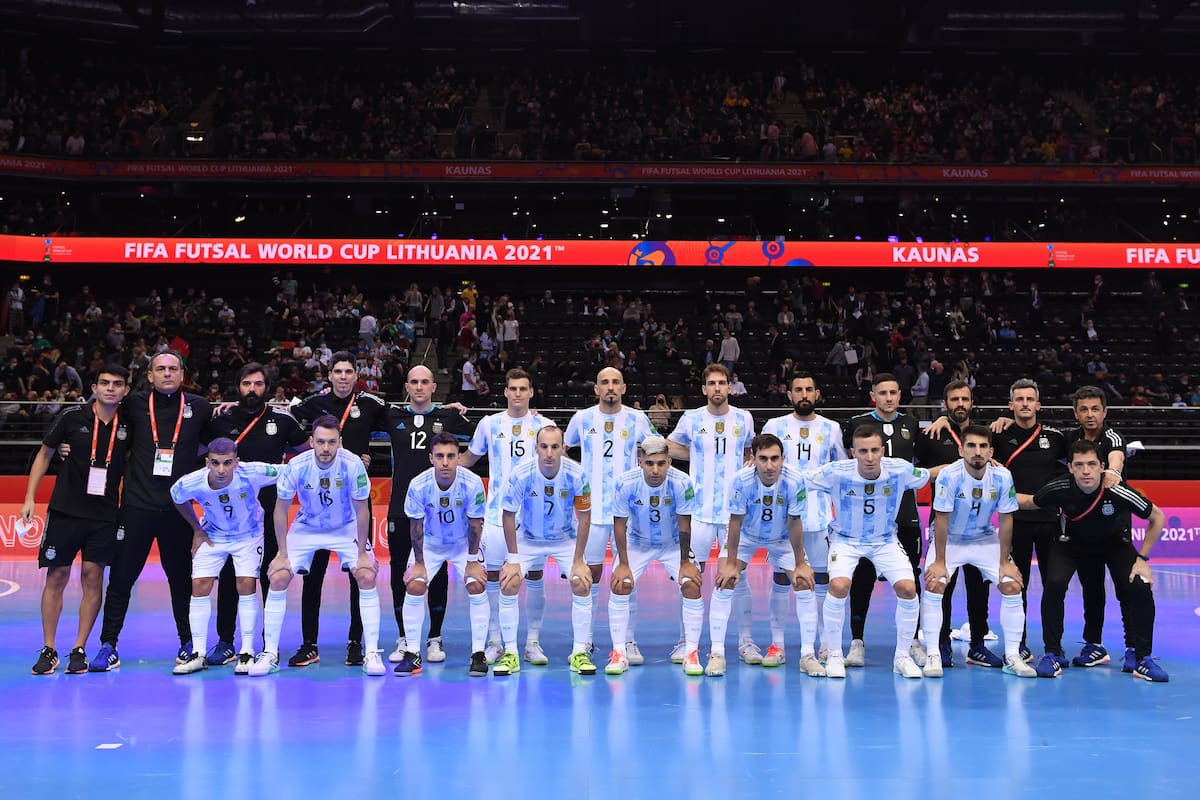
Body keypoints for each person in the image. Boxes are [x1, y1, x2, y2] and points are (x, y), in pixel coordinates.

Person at [90, 351, 212, 671]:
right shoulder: (134, 404)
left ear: (182, 375)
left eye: (173, 369)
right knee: (121, 579)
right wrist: (66, 445)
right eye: (161, 369)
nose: (167, 374)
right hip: (136, 507)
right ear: (149, 375)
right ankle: (108, 645)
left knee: (181, 581)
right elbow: (100, 422)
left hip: (178, 511)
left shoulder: (199, 407)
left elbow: (215, 444)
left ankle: (188, 643)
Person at [1019, 440, 1168, 682]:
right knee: (1054, 584)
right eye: (1079, 465)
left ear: (1102, 467)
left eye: (1091, 464)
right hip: (1070, 544)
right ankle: (1052, 654)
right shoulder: (1059, 488)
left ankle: (1142, 658)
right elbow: (1029, 502)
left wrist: (1142, 559)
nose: (1085, 471)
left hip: (1114, 544)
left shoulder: (1118, 490)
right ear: (1070, 468)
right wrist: (995, 487)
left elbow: (1157, 517)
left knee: (1140, 586)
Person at [251, 415, 383, 676]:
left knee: (367, 576)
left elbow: (362, 511)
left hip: (345, 525)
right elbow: (280, 510)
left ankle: (371, 654)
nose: (326, 448)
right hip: (308, 526)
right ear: (311, 441)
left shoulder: (353, 464)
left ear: (340, 442)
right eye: (320, 442)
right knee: (277, 577)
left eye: (332, 442)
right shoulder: (296, 466)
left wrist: (361, 554)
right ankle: (270, 653)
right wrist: (282, 553)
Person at [25, 365, 130, 675]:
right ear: (94, 387)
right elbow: (45, 453)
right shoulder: (72, 418)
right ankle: (49, 648)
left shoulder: (131, 424)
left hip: (105, 515)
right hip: (66, 510)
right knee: (56, 577)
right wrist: (30, 497)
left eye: (118, 384)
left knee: (92, 577)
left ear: (125, 390)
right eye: (105, 383)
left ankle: (79, 648)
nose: (111, 388)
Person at [202, 363, 307, 667]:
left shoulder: (282, 422)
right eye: (246, 384)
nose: (252, 390)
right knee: (229, 577)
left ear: (268, 388)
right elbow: (196, 451)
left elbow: (307, 455)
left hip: (271, 512)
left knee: (269, 576)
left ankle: (266, 644)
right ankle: (225, 641)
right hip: (230, 514)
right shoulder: (221, 420)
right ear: (238, 387)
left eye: (258, 384)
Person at [289, 351, 389, 669]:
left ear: (356, 375)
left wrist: (447, 410)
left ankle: (356, 643)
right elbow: (282, 423)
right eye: (338, 371)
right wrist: (309, 446)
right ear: (329, 375)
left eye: (349, 371)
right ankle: (309, 644)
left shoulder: (370, 405)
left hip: (355, 498)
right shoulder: (312, 404)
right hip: (317, 502)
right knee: (312, 577)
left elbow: (405, 421)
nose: (343, 376)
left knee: (358, 575)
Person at [809, 425, 930, 678]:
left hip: (885, 540)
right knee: (839, 586)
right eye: (863, 451)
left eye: (875, 450)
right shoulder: (834, 472)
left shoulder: (900, 469)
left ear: (882, 451)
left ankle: (902, 656)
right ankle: (833, 656)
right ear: (853, 452)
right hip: (845, 540)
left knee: (908, 589)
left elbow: (929, 475)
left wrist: (968, 466)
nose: (870, 457)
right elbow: (799, 480)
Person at [921, 426, 1034, 678]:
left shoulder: (1003, 476)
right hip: (949, 540)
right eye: (971, 446)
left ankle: (1013, 656)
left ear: (991, 451)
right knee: (935, 583)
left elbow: (1006, 520)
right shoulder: (948, 476)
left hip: (983, 538)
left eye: (983, 447)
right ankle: (933, 654)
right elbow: (940, 520)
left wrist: (1005, 561)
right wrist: (940, 561)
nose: (977, 452)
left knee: (1012, 585)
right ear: (961, 450)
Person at [460, 368, 554, 662]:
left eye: (522, 389)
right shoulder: (489, 424)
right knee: (492, 576)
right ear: (505, 392)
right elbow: (468, 459)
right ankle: (495, 640)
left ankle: (532, 643)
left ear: (530, 392)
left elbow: (556, 462)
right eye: (512, 388)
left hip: (533, 517)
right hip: (496, 515)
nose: (517, 394)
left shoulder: (544, 425)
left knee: (535, 575)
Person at [564, 367, 656, 665]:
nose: (610, 387)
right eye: (604, 382)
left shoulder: (638, 419)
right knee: (588, 577)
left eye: (616, 382)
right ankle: (586, 641)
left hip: (627, 513)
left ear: (624, 388)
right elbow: (564, 450)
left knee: (625, 577)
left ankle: (628, 641)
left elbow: (657, 449)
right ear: (596, 389)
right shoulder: (582, 418)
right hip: (590, 513)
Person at [666, 364, 757, 663]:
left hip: (734, 513)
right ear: (704, 389)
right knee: (691, 575)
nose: (717, 388)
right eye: (711, 384)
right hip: (699, 512)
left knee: (738, 577)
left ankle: (746, 642)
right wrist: (696, 453)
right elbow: (670, 446)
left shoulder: (744, 419)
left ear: (730, 387)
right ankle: (684, 642)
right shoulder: (691, 418)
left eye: (722, 383)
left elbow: (750, 452)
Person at [383, 365, 473, 664]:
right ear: (406, 387)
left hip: (439, 510)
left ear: (434, 386)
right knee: (400, 572)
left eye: (425, 382)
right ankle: (405, 638)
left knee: (437, 573)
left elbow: (483, 436)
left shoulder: (447, 417)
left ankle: (434, 638)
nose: (419, 387)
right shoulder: (392, 415)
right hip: (400, 508)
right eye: (413, 382)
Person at [169, 439, 281, 675]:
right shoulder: (191, 482)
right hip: (212, 534)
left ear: (236, 462)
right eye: (216, 463)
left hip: (248, 535)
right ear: (207, 462)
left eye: (227, 463)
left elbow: (291, 470)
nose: (221, 470)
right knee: (199, 585)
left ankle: (247, 651)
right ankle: (198, 653)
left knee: (246, 584)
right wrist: (197, 529)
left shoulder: (253, 472)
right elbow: (176, 497)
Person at [707, 434, 814, 677]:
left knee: (804, 583)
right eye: (763, 459)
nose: (769, 465)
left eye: (775, 458)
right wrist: (732, 563)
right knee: (724, 582)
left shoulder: (795, 480)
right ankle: (717, 653)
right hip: (747, 535)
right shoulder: (741, 480)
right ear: (752, 459)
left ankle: (807, 655)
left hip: (782, 537)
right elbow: (734, 521)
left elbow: (795, 521)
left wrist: (799, 563)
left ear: (783, 459)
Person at [760, 371, 845, 674]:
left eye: (809, 389)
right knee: (783, 579)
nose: (804, 394)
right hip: (783, 521)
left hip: (820, 517)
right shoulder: (775, 426)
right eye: (798, 390)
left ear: (817, 393)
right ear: (790, 394)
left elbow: (840, 470)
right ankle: (778, 643)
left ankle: (823, 643)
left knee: (820, 579)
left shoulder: (831, 428)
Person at [840, 373, 925, 669]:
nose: (888, 398)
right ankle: (857, 642)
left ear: (900, 395)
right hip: (866, 517)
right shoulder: (857, 424)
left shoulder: (912, 424)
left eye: (893, 392)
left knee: (911, 579)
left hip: (905, 514)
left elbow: (921, 463)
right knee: (861, 579)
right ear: (873, 395)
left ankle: (913, 641)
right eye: (882, 393)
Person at [496, 425, 594, 677]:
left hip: (565, 539)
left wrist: (578, 560)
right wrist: (514, 559)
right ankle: (510, 653)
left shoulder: (578, 475)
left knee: (582, 582)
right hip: (528, 537)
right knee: (508, 583)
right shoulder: (521, 474)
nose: (549, 453)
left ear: (563, 448)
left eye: (554, 446)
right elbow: (507, 515)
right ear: (536, 447)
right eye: (544, 446)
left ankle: (580, 652)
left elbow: (584, 517)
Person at [393, 433, 489, 677]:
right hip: (431, 542)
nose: (445, 462)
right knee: (414, 586)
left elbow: (476, 524)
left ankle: (478, 654)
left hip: (462, 543)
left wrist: (472, 562)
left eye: (450, 456)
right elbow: (415, 527)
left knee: (477, 585)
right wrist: (419, 564)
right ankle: (412, 653)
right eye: (440, 456)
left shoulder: (473, 483)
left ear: (458, 458)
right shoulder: (418, 484)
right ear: (431, 458)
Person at [605, 436, 702, 675]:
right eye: (650, 463)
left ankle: (690, 652)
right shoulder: (625, 483)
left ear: (669, 461)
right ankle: (619, 652)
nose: (655, 469)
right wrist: (623, 563)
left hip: (672, 544)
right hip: (637, 543)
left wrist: (685, 563)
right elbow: (619, 525)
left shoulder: (682, 482)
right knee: (620, 584)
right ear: (640, 462)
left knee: (692, 585)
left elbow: (684, 524)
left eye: (661, 463)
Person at [918, 380, 998, 669]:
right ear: (945, 404)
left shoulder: (984, 435)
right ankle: (941, 645)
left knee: (979, 587)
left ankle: (977, 644)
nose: (960, 404)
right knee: (942, 585)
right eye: (954, 400)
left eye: (965, 399)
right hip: (944, 522)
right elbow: (921, 474)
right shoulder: (931, 435)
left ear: (972, 403)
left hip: (979, 524)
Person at [990, 379, 1068, 662]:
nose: (1024, 404)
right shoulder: (998, 436)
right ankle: (1017, 645)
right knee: (1014, 586)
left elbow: (1080, 458)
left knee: (1053, 586)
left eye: (1029, 399)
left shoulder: (1056, 437)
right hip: (1014, 523)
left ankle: (1053, 647)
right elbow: (974, 446)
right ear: (1010, 405)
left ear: (1038, 404)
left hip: (1049, 522)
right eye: (1019, 399)